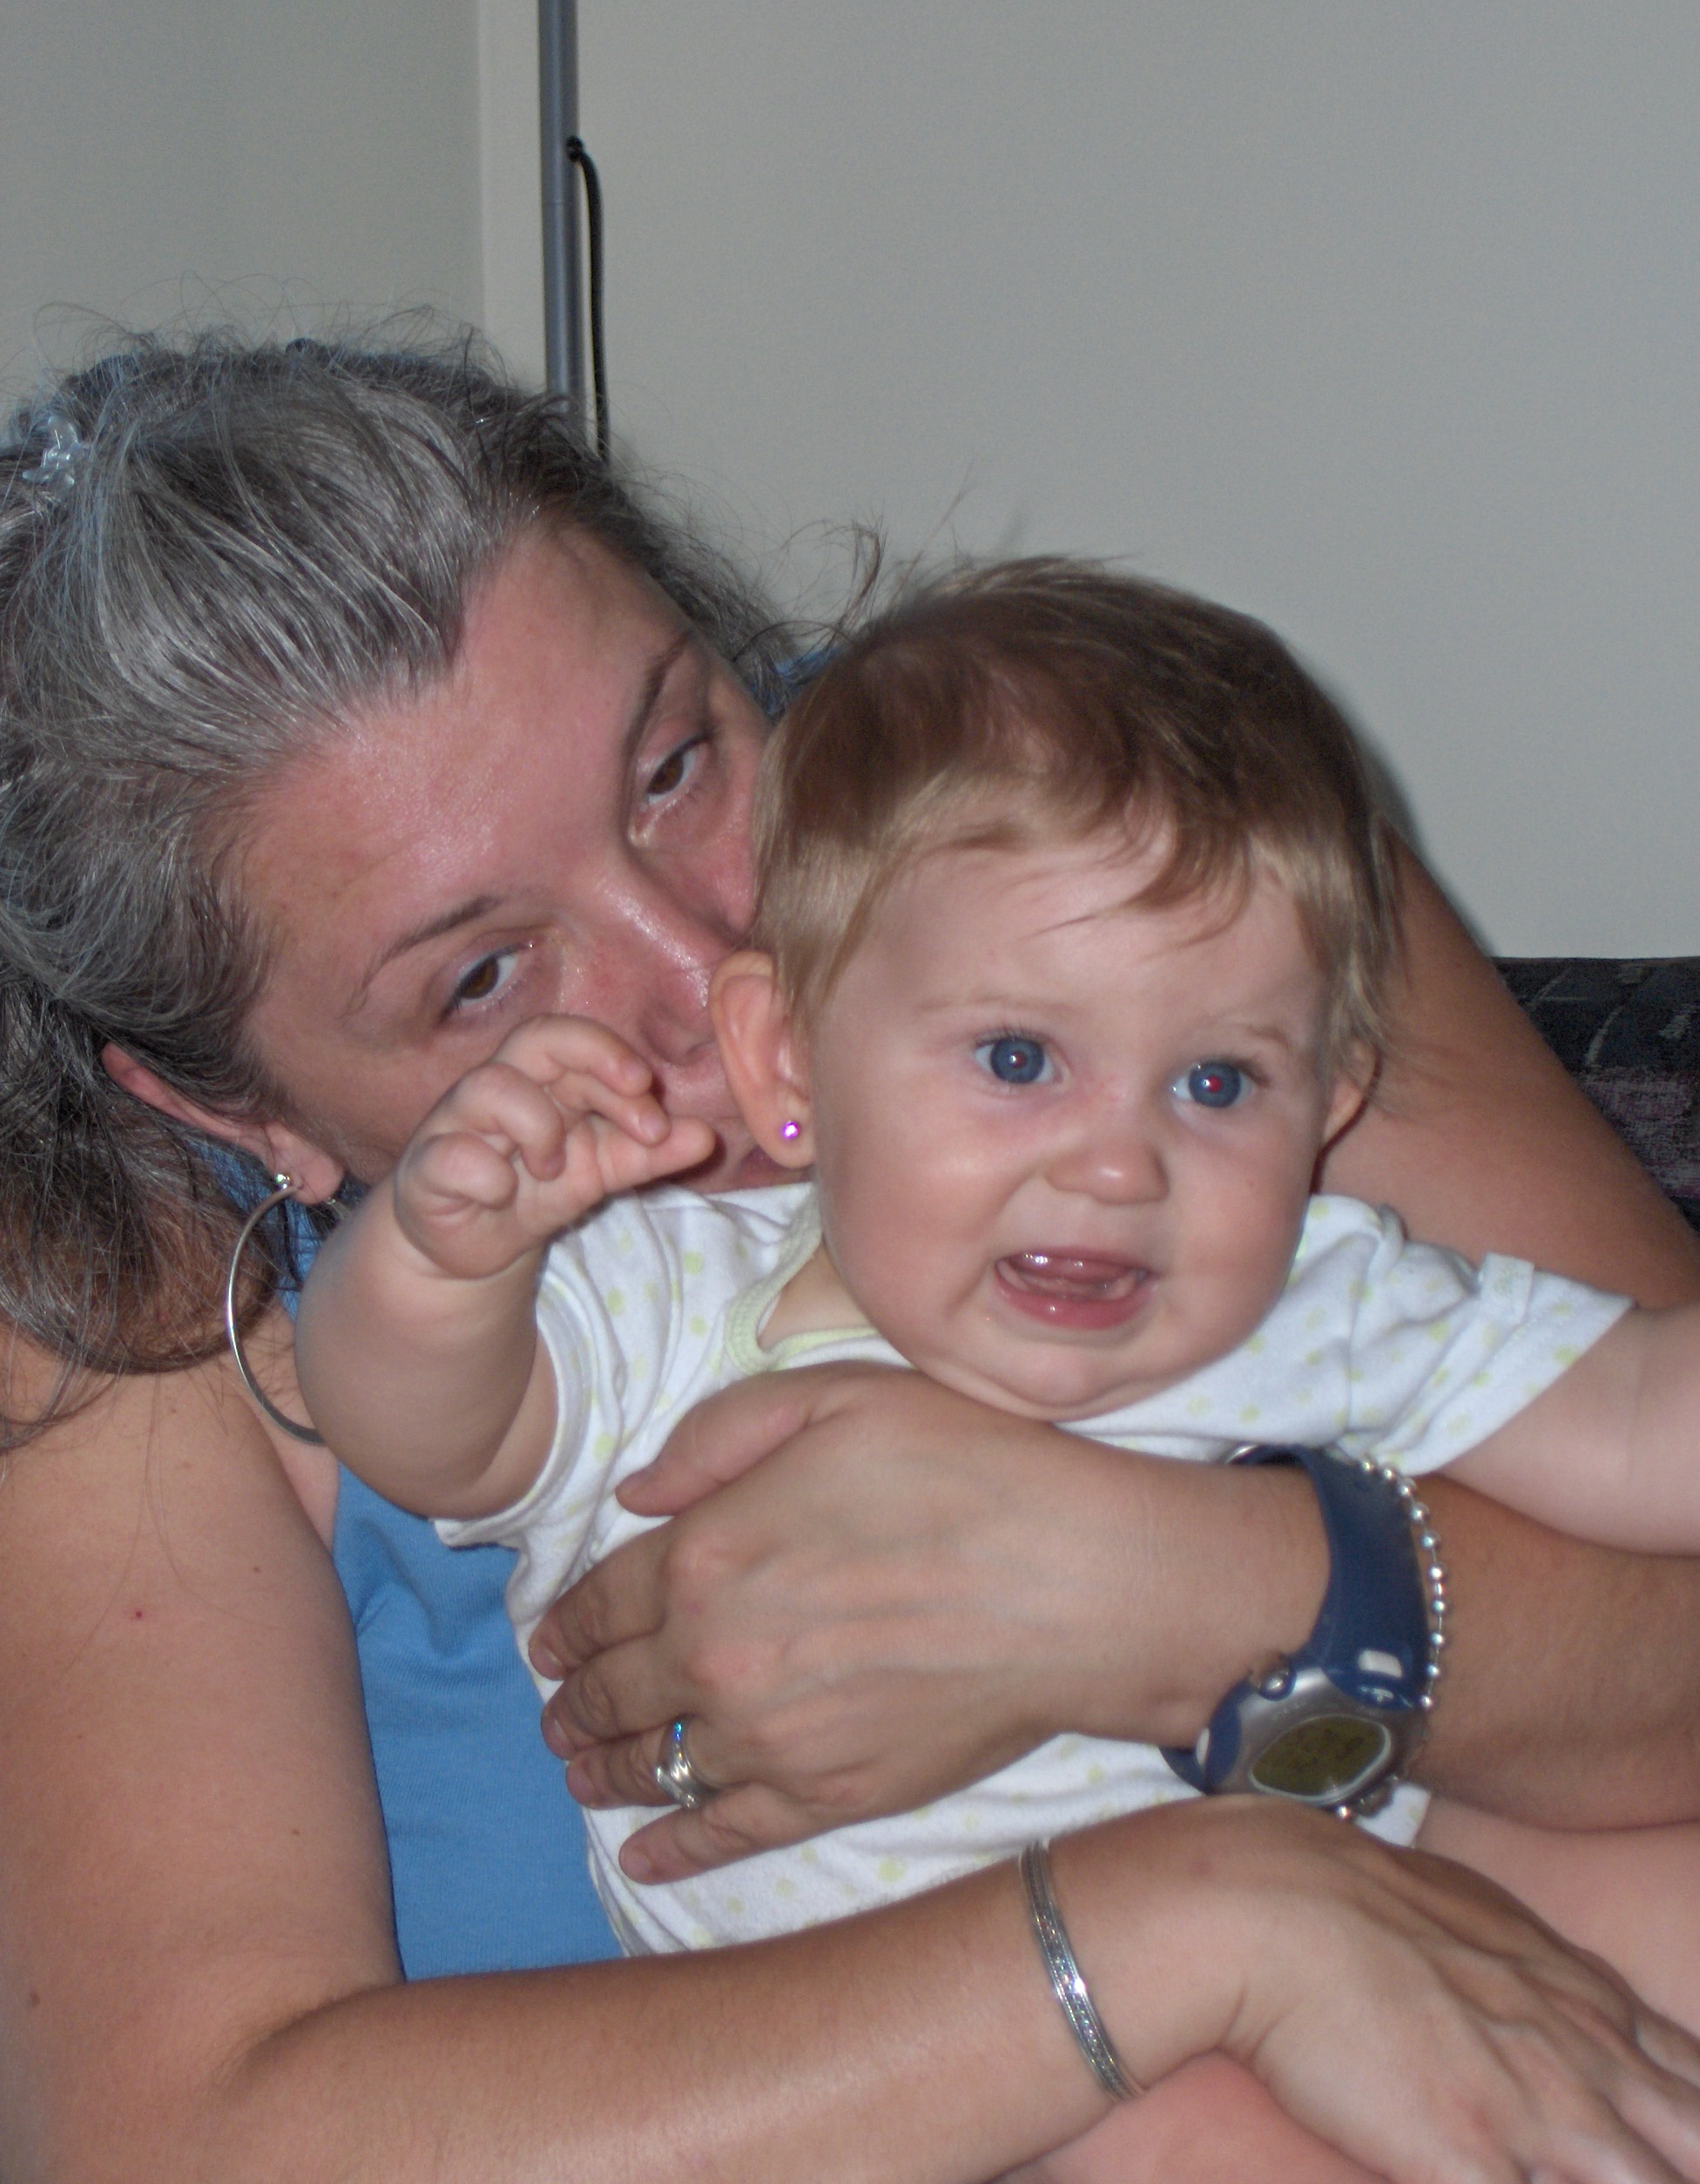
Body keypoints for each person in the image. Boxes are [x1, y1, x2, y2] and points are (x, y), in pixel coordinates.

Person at [3, 331, 1700, 2184]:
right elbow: (175, 2144)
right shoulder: (124, 1281)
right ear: (234, 1104)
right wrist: (1190, 1928)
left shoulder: (1116, 873)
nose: (712, 970)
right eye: (481, 976)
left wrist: (1166, 1589)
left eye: (676, 765)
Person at [293, 554, 1697, 1982]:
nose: (1119, 1166)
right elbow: (425, 1435)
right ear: (788, 1055)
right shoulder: (672, 1298)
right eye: (1019, 1060)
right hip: (911, 2015)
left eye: (1217, 1083)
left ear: (1327, 1107)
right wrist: (434, 1259)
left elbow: (1642, 1414)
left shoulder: (1323, 1298)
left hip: (1339, 1893)